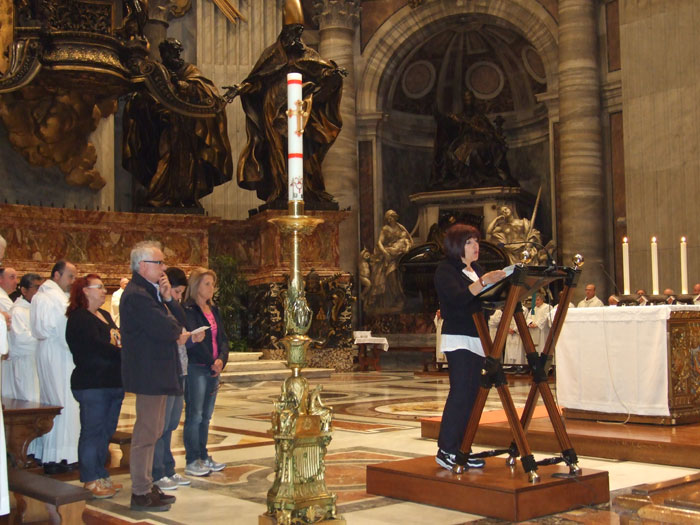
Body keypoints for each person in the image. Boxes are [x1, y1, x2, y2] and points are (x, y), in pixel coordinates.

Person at [225, 0, 346, 206]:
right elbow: (255, 81)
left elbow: (322, 70)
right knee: (277, 150)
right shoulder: (272, 55)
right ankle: (280, 190)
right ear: (285, 31)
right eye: (293, 31)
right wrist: (240, 88)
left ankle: (307, 190)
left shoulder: (307, 54)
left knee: (303, 149)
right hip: (273, 108)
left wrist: (333, 74)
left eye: (300, 31)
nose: (297, 37)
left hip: (300, 108)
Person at [120, 241, 201, 511]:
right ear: (143, 266)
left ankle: (146, 485)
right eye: (160, 263)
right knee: (146, 433)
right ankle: (140, 492)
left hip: (159, 370)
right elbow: (167, 329)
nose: (164, 268)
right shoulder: (136, 295)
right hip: (149, 371)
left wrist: (168, 298)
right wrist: (172, 325)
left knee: (155, 430)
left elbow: (181, 322)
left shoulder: (151, 292)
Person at [123, 38, 233, 208]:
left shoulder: (189, 71)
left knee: (187, 164)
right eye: (169, 53)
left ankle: (185, 196)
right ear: (163, 54)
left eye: (175, 52)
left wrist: (180, 84)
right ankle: (160, 195)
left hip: (187, 129)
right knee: (166, 158)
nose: (173, 56)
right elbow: (146, 98)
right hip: (164, 128)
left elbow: (207, 93)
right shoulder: (157, 73)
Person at [433, 223, 506, 471]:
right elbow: (457, 299)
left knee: (474, 396)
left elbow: (486, 300)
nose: (476, 247)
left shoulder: (477, 270)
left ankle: (463, 448)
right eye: (470, 242)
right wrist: (485, 282)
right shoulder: (446, 270)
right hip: (459, 338)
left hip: (479, 338)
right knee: (461, 393)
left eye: (476, 241)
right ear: (457, 245)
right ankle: (446, 449)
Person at [65, 275, 124, 499]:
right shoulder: (79, 318)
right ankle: (90, 478)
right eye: (98, 287)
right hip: (92, 383)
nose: (103, 291)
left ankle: (101, 473)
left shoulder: (106, 315)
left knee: (106, 432)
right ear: (84, 291)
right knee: (92, 431)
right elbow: (96, 347)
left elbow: (116, 339)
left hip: (113, 381)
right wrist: (122, 353)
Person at [30, 260, 79, 474]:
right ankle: (58, 455)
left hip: (60, 353)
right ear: (57, 275)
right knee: (60, 403)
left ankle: (60, 453)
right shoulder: (45, 297)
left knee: (65, 403)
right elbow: (50, 329)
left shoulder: (58, 297)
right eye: (70, 276)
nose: (73, 281)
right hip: (55, 353)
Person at [183, 267, 229, 476]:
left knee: (207, 416)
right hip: (197, 368)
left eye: (212, 284)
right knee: (196, 414)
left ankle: (203, 455)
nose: (211, 288)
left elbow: (222, 339)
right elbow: (195, 340)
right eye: (206, 284)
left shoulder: (214, 310)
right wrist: (211, 361)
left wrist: (221, 360)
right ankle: (192, 459)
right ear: (196, 286)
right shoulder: (189, 310)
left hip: (214, 367)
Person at [153, 267, 191, 490]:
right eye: (176, 292)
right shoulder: (158, 308)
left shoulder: (174, 307)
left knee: (171, 424)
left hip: (181, 369)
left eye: (180, 293)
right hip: (165, 371)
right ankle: (157, 471)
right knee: (161, 425)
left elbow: (182, 322)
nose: (178, 297)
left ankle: (168, 467)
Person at [4, 274, 41, 402]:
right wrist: (43, 340)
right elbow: (21, 340)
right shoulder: (17, 311)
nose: (39, 292)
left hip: (37, 362)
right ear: (24, 290)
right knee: (29, 401)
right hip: (25, 364)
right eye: (36, 288)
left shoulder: (37, 309)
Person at [367, 210, 414, 310]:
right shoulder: (385, 229)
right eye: (388, 217)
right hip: (388, 256)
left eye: (391, 217)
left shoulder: (400, 228)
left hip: (400, 256)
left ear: (395, 217)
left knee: (399, 277)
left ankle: (400, 299)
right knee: (390, 276)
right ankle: (396, 299)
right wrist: (385, 253)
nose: (389, 219)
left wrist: (406, 248)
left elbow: (409, 241)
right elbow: (379, 242)